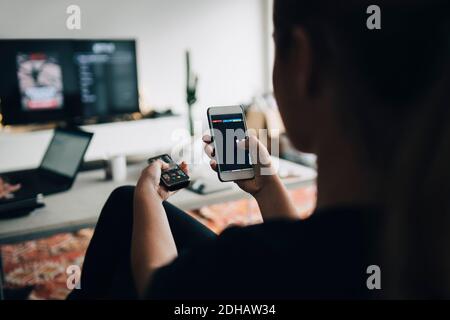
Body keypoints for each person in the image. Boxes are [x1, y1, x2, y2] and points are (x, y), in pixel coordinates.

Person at [69, 0, 450, 300]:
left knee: (127, 212)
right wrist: (268, 187)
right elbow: (313, 259)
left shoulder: (251, 265)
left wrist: (147, 196)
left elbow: (160, 286)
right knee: (122, 206)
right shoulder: (418, 232)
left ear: (303, 63)